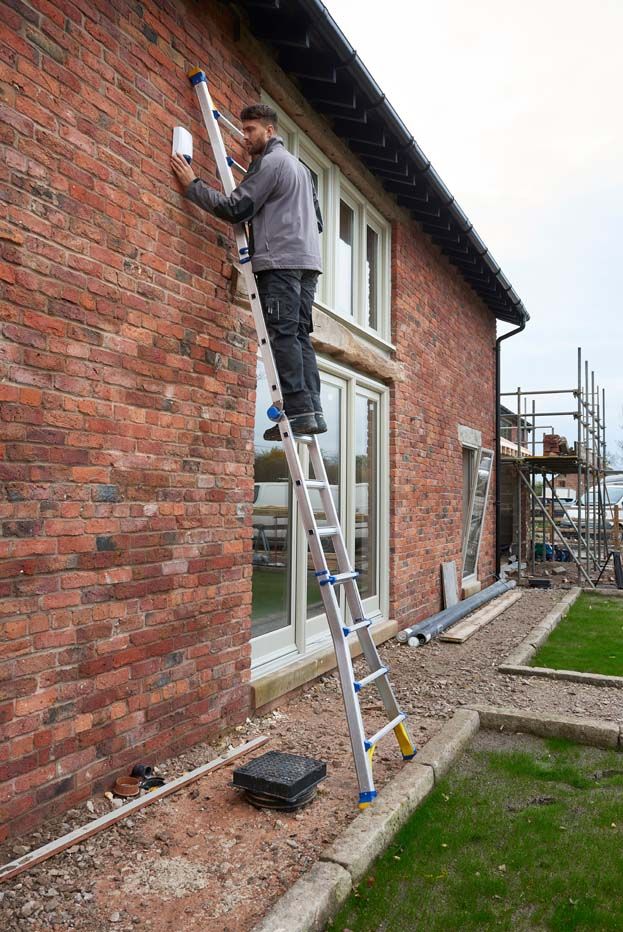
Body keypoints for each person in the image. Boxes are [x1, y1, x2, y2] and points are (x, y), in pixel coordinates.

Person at [171, 103, 326, 441]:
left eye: (250, 130)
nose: (244, 138)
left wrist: (192, 185)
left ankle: (298, 412)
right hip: (308, 263)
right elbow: (317, 222)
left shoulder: (269, 163)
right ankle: (311, 411)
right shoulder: (301, 170)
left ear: (270, 131)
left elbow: (236, 208)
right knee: (299, 335)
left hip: (280, 263)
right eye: (242, 130)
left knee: (282, 335)